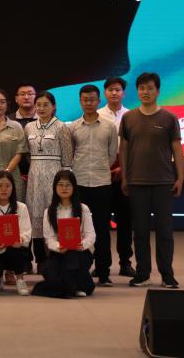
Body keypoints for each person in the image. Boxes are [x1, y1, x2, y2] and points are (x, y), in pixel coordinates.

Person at [120, 72, 184, 289]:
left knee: (165, 231)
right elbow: (124, 149)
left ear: (158, 91)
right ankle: (143, 273)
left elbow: (177, 148)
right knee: (140, 231)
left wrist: (180, 177)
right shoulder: (129, 118)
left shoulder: (169, 118)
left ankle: (167, 274)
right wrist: (125, 177)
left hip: (164, 182)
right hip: (137, 182)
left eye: (149, 88)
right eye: (141, 88)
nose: (145, 92)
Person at [66, 84, 118, 287]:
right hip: (79, 183)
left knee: (101, 229)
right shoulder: (73, 127)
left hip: (102, 182)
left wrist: (101, 167)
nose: (88, 103)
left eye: (92, 99)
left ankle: (103, 271)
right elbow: (70, 154)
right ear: (80, 101)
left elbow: (112, 155)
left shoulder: (109, 126)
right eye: (85, 99)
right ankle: (79, 269)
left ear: (98, 101)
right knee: (77, 228)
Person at [34, 169, 96, 299]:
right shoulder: (49, 211)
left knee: (71, 262)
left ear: (74, 187)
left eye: (68, 185)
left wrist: (82, 244)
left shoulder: (83, 208)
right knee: (51, 272)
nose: (64, 188)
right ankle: (74, 286)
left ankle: (74, 287)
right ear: (55, 187)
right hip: (59, 252)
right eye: (60, 185)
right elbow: (49, 238)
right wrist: (58, 247)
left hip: (79, 252)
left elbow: (91, 235)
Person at [24, 91, 70, 263]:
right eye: (39, 105)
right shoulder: (29, 127)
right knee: (35, 214)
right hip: (35, 176)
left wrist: (64, 181)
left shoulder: (61, 127)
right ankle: (40, 259)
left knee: (54, 212)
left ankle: (56, 256)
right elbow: (27, 153)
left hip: (55, 175)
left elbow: (67, 159)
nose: (41, 108)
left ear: (54, 106)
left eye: (46, 105)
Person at [99, 76, 134, 277]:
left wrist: (124, 168)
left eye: (118, 89)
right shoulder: (97, 115)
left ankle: (125, 263)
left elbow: (134, 147)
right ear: (105, 92)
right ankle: (101, 263)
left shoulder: (131, 116)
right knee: (100, 222)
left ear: (123, 93)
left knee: (125, 222)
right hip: (101, 174)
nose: (114, 93)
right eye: (110, 89)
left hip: (125, 175)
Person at [0, 170, 33, 295]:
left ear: (13, 188)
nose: (4, 189)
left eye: (8, 186)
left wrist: (21, 239)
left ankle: (20, 280)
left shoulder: (21, 207)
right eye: (0, 186)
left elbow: (27, 231)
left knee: (17, 251)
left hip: (16, 248)